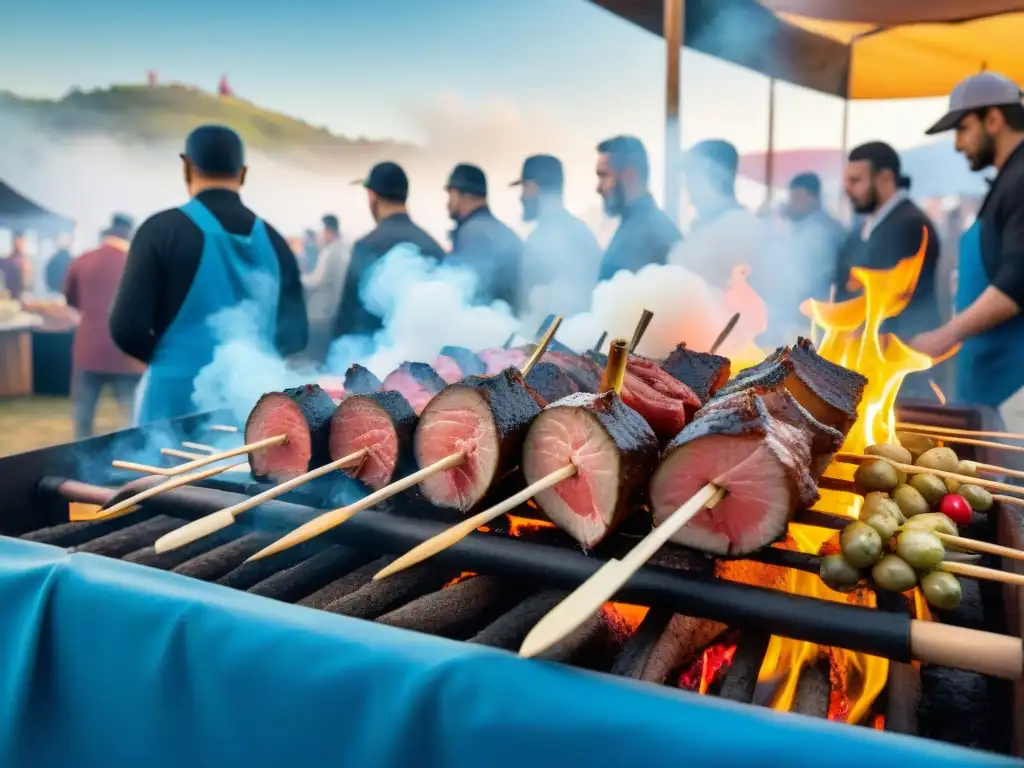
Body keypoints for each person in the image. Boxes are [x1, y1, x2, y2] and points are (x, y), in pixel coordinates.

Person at [110, 124, 307, 423]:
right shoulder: (276, 241)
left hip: (173, 403)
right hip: (250, 404)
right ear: (242, 173)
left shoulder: (160, 230)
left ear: (186, 166)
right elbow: (296, 336)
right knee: (245, 469)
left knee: (162, 469)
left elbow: (126, 328)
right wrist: (253, 366)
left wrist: (175, 363)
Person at [909, 72, 1024, 427]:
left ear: (993, 119)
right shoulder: (1008, 179)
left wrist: (944, 336)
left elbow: (1017, 282)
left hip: (1012, 388)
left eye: (962, 129)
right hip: (985, 377)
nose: (958, 145)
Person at [837, 141, 941, 339]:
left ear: (885, 178)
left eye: (855, 181)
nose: (847, 190)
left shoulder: (910, 225)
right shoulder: (865, 226)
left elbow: (891, 301)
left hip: (901, 351)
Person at [334, 162, 445, 338]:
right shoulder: (433, 246)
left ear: (372, 197)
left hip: (373, 358)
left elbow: (347, 319)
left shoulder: (366, 246)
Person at [63, 214, 146, 438]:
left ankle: (80, 462)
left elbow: (71, 300)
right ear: (129, 234)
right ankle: (140, 457)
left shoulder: (83, 260)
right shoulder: (137, 262)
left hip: (89, 348)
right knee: (134, 416)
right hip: (127, 352)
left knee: (83, 416)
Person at [512, 154, 602, 320]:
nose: (521, 197)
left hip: (552, 341)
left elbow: (533, 308)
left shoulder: (541, 239)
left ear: (532, 187)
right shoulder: (582, 232)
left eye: (523, 188)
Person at [596, 135, 681, 282]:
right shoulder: (636, 225)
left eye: (604, 176)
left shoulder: (651, 231)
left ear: (630, 176)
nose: (598, 188)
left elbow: (655, 304)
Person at [445, 163, 522, 311]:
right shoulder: (503, 231)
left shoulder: (473, 233)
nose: (447, 204)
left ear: (464, 195)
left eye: (451, 194)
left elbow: (467, 292)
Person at [784, 171, 847, 302]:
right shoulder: (806, 225)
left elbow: (810, 276)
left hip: (818, 303)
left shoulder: (822, 229)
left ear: (814, 197)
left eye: (797, 197)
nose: (792, 203)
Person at [302, 214, 350, 362]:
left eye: (322, 232)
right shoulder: (342, 249)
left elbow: (316, 281)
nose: (320, 236)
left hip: (321, 313)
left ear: (329, 231)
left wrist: (298, 280)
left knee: (314, 356)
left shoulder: (330, 253)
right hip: (333, 310)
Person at [0, 232, 29, 300]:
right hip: (9, 293)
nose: (19, 245)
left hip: (22, 294)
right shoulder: (6, 261)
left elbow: (28, 282)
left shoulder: (27, 261)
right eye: (17, 242)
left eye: (21, 242)